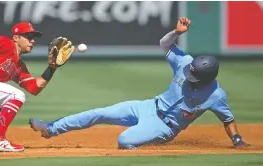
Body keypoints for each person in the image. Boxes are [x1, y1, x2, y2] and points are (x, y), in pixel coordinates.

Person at [28, 17, 250, 149]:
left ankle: (148, 149)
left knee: (125, 141)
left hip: (165, 127)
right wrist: (177, 32)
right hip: (148, 106)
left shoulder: (216, 95)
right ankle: (50, 129)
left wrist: (237, 140)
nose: (189, 76)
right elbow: (165, 44)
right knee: (100, 112)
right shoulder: (185, 62)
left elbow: (228, 119)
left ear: (207, 78)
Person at [0, 21, 75, 152]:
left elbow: (34, 88)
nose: (32, 41)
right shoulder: (6, 43)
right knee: (16, 95)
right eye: (28, 36)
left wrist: (52, 68)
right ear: (16, 38)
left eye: (33, 38)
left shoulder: (18, 66)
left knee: (5, 101)